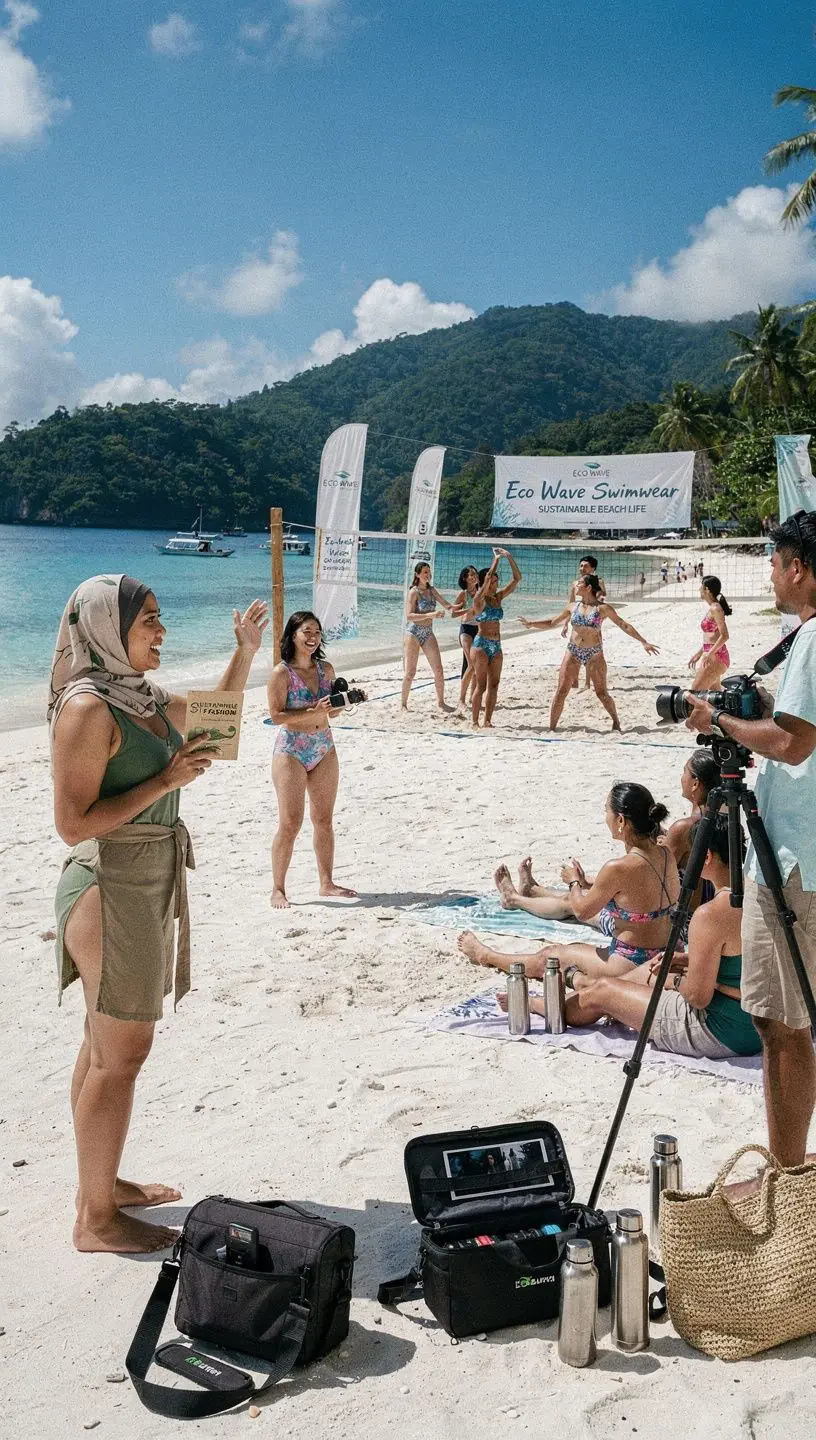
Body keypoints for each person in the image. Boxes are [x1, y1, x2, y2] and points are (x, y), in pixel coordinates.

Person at [50, 575, 268, 1253]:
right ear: (108, 629)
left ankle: (102, 1185)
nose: (161, 630)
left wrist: (243, 653)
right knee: (121, 1055)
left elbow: (217, 729)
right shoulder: (88, 709)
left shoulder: (137, 698)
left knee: (103, 1047)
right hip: (109, 884)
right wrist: (166, 780)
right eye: (148, 620)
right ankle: (95, 1220)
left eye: (159, 617)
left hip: (143, 882)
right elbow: (72, 824)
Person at [684, 510, 816, 1166]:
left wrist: (720, 722)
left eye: (774, 563)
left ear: (799, 568)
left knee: (781, 1024)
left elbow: (792, 743)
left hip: (794, 858)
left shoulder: (813, 637)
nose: (769, 576)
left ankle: (786, 1177)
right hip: (802, 852)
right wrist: (759, 712)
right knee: (789, 1019)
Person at [496, 818, 760, 1060]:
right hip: (758, 1024)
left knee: (603, 992)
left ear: (707, 857)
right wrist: (688, 960)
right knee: (643, 973)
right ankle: (584, 986)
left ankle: (537, 1004)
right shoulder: (760, 898)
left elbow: (697, 998)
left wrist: (675, 980)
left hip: (719, 1031)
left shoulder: (709, 915)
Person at [459, 782, 680, 981]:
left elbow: (582, 911)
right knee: (576, 910)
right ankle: (526, 894)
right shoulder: (665, 854)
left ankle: (485, 955)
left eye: (606, 811)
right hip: (670, 953)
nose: (605, 817)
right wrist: (587, 885)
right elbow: (636, 890)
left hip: (633, 961)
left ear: (620, 820)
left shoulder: (618, 867)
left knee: (551, 956)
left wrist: (574, 882)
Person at [493, 751, 720, 928]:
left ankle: (514, 899)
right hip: (696, 906)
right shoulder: (719, 817)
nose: (681, 777)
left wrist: (577, 882)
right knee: (592, 892)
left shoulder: (684, 828)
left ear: (695, 783)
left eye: (684, 772)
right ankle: (534, 891)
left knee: (573, 902)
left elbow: (644, 872)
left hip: (676, 917)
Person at [268, 610, 359, 909]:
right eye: (306, 631)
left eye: (317, 632)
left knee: (323, 820)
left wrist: (345, 703)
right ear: (292, 635)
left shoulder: (326, 670)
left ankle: (326, 883)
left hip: (324, 747)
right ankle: (278, 889)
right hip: (291, 750)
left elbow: (333, 713)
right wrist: (313, 711)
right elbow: (276, 716)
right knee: (290, 823)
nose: (312, 637)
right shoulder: (281, 673)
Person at [519, 576, 659, 731]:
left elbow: (623, 624)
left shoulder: (603, 608)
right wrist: (531, 624)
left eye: (579, 583)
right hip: (573, 650)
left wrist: (643, 641)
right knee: (561, 691)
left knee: (601, 693)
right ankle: (551, 728)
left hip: (594, 653)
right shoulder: (573, 606)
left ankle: (616, 721)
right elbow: (552, 622)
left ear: (588, 588)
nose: (576, 585)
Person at [465, 547, 521, 729]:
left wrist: (509, 557)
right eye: (493, 581)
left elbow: (517, 579)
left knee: (494, 685)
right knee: (481, 686)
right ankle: (474, 721)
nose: (496, 584)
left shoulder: (498, 598)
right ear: (485, 583)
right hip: (481, 645)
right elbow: (488, 576)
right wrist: (496, 560)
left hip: (496, 645)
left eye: (497, 582)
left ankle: (487, 720)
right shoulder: (478, 600)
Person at [401, 562, 455, 713]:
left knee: (438, 669)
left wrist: (462, 607)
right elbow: (409, 616)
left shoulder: (432, 590)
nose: (428, 575)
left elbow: (447, 605)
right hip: (413, 633)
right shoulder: (413, 592)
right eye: (425, 572)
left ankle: (441, 703)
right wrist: (431, 615)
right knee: (410, 672)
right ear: (417, 574)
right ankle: (403, 705)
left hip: (428, 632)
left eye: (429, 572)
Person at [562, 555, 607, 691]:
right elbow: (570, 603)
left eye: (586, 566)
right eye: (581, 566)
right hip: (578, 617)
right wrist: (565, 623)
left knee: (591, 650)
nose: (582, 568)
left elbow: (602, 597)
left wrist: (599, 604)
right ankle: (575, 681)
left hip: (592, 618)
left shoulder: (598, 581)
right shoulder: (575, 583)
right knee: (575, 647)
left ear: (593, 568)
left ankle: (588, 682)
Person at [688, 575, 731, 691]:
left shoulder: (716, 608)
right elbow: (712, 638)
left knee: (695, 690)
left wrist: (710, 653)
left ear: (707, 589)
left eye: (701, 586)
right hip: (711, 654)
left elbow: (725, 636)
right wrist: (699, 653)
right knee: (713, 694)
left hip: (717, 656)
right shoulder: (713, 608)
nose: (699, 589)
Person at [452, 564, 481, 712]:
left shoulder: (480, 592)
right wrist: (467, 610)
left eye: (475, 574)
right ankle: (461, 700)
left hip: (479, 629)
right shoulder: (463, 594)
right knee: (471, 664)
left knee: (476, 665)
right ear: (465, 578)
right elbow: (453, 614)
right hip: (466, 630)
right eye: (471, 574)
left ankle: (472, 697)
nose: (474, 576)